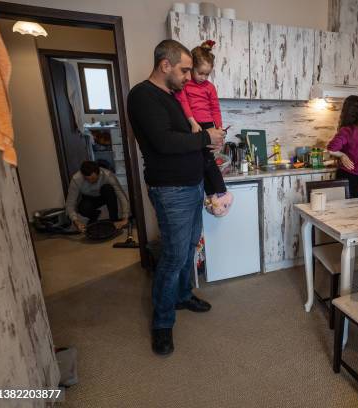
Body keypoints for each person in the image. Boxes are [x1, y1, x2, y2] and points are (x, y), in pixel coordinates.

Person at [127, 39, 225, 355]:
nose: (188, 76)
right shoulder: (143, 96)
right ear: (165, 65)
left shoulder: (171, 97)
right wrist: (203, 138)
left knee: (188, 249)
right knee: (173, 255)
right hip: (171, 190)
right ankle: (162, 323)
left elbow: (186, 139)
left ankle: (183, 295)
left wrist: (206, 143)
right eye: (184, 70)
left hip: (192, 185)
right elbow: (164, 142)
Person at [174, 40, 228, 205]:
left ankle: (218, 193)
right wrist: (192, 122)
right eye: (200, 73)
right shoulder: (185, 85)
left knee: (208, 159)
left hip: (207, 126)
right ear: (192, 68)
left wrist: (218, 128)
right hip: (193, 125)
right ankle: (216, 193)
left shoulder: (209, 87)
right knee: (200, 161)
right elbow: (183, 103)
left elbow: (215, 108)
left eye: (207, 74)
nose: (203, 77)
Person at [65, 160, 129, 232]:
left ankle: (114, 220)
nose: (91, 182)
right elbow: (70, 203)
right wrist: (76, 222)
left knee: (107, 188)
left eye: (93, 179)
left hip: (104, 195)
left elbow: (121, 195)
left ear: (98, 173)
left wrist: (125, 218)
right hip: (89, 198)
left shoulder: (107, 175)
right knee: (83, 208)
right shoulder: (76, 179)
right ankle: (94, 215)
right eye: (87, 179)